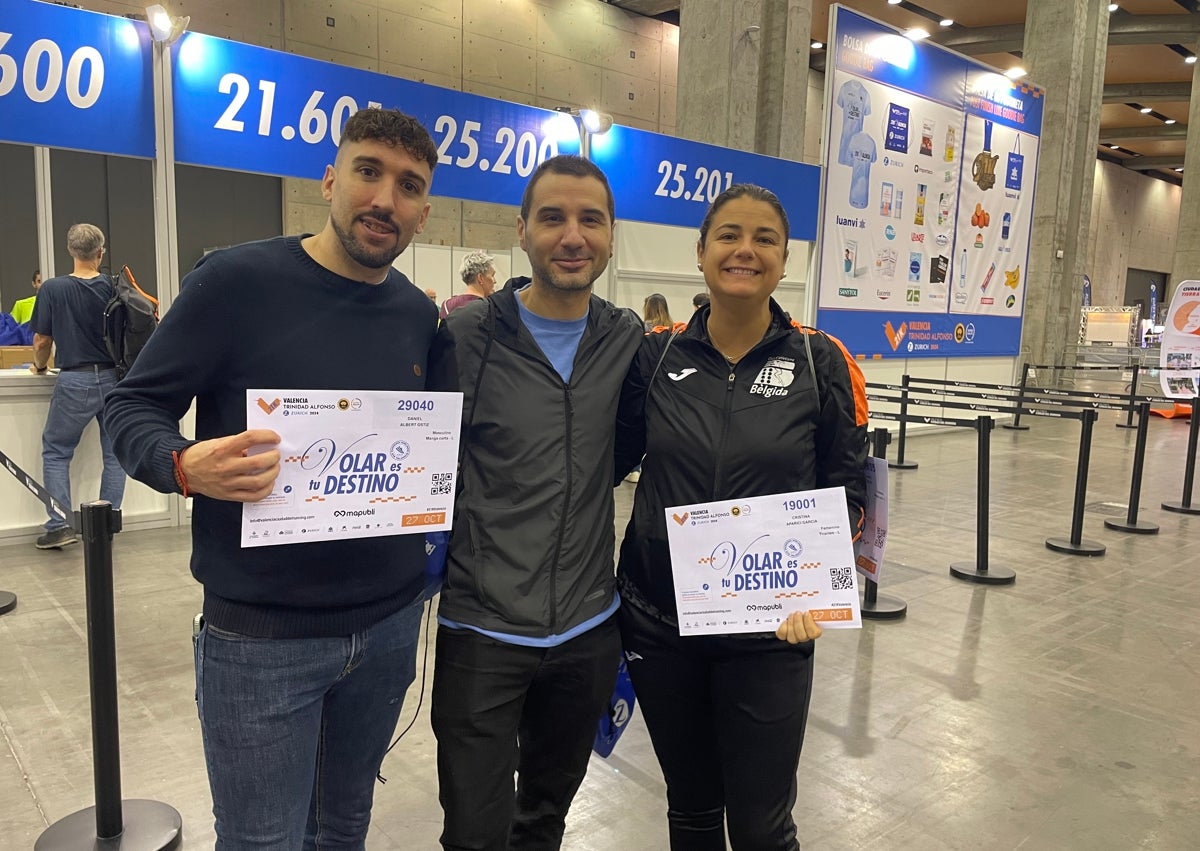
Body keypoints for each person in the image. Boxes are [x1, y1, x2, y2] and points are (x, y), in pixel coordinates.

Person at [103, 108, 440, 850]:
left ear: (423, 210)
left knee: (343, 828)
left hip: (388, 631)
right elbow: (129, 405)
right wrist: (182, 464)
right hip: (260, 643)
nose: (385, 198)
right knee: (262, 841)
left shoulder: (420, 316)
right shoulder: (234, 281)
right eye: (368, 171)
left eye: (409, 185)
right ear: (329, 180)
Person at [613, 184, 869, 850]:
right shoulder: (658, 356)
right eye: (728, 235)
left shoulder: (820, 363)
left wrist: (816, 588)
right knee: (693, 809)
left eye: (764, 239)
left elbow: (848, 491)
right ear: (700, 253)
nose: (744, 250)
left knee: (761, 824)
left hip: (771, 634)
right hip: (659, 625)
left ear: (784, 262)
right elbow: (603, 463)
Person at [427, 154, 643, 851]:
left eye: (590, 220)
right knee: (474, 832)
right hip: (482, 633)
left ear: (611, 236)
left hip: (586, 632)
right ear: (522, 231)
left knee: (543, 823)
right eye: (552, 217)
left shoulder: (627, 340)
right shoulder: (466, 337)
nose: (571, 235)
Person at [28, 227, 123, 550]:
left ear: (70, 250)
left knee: (56, 451)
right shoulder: (113, 287)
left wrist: (39, 367)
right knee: (115, 455)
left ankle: (59, 526)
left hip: (74, 379)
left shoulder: (53, 288)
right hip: (114, 379)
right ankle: (105, 526)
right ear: (101, 252)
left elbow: (42, 340)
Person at [439, 249, 496, 319]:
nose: (495, 281)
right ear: (480, 278)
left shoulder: (447, 305)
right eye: (492, 275)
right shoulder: (491, 308)